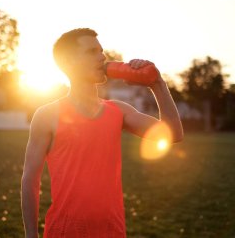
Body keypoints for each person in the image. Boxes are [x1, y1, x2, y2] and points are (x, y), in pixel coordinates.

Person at [21, 28, 184, 238]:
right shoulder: (47, 115)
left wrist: (158, 85)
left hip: (112, 232)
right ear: (68, 62)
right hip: (64, 231)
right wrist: (31, 235)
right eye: (91, 52)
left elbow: (173, 134)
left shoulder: (118, 110)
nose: (102, 57)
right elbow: (30, 180)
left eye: (101, 51)